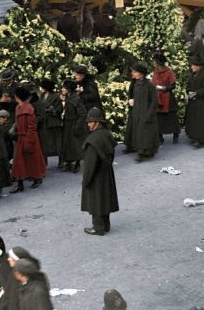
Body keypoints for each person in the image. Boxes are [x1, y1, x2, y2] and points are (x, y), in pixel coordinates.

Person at [80, 107, 119, 236]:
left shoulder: (92, 141)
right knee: (105, 199)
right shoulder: (107, 135)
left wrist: (86, 180)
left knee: (95, 201)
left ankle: (98, 227)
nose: (89, 124)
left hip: (96, 176)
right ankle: (106, 225)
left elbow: (90, 165)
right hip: (106, 173)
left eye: (91, 122)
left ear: (98, 122)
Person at [10, 86, 46, 192]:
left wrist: (29, 141)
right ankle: (20, 184)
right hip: (20, 137)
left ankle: (37, 178)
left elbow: (32, 127)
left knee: (32, 160)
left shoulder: (29, 108)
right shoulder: (18, 107)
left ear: (17, 96)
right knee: (19, 162)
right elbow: (17, 122)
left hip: (28, 138)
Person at [124, 63, 160, 161]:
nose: (133, 74)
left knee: (146, 134)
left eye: (135, 72)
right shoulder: (136, 84)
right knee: (139, 133)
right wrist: (132, 102)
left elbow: (154, 101)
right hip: (137, 113)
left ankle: (146, 153)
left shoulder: (150, 85)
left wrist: (149, 114)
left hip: (146, 113)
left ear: (142, 74)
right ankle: (141, 151)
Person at [184, 57, 204, 148]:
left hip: (203, 102)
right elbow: (188, 86)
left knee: (202, 121)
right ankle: (195, 137)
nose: (192, 67)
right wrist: (189, 92)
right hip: (194, 101)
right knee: (194, 120)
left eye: (194, 65)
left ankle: (202, 139)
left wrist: (196, 93)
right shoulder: (192, 75)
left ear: (199, 67)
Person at [58, 81, 88, 173]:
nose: (62, 89)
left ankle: (77, 163)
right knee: (67, 144)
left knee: (75, 144)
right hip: (67, 123)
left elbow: (83, 114)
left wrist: (77, 126)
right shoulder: (69, 97)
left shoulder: (76, 99)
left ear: (68, 89)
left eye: (64, 87)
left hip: (74, 123)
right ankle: (68, 162)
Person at [151, 53, 180, 144]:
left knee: (172, 118)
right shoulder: (155, 71)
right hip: (158, 97)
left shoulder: (169, 72)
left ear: (158, 62)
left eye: (155, 62)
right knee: (159, 118)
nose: (153, 63)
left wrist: (163, 88)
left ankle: (175, 135)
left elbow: (173, 85)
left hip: (168, 98)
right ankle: (160, 138)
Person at [35, 79, 63, 163]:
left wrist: (52, 110)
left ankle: (61, 160)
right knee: (44, 143)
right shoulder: (41, 95)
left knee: (57, 143)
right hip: (44, 122)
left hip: (54, 122)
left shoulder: (55, 96)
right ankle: (44, 161)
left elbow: (59, 109)